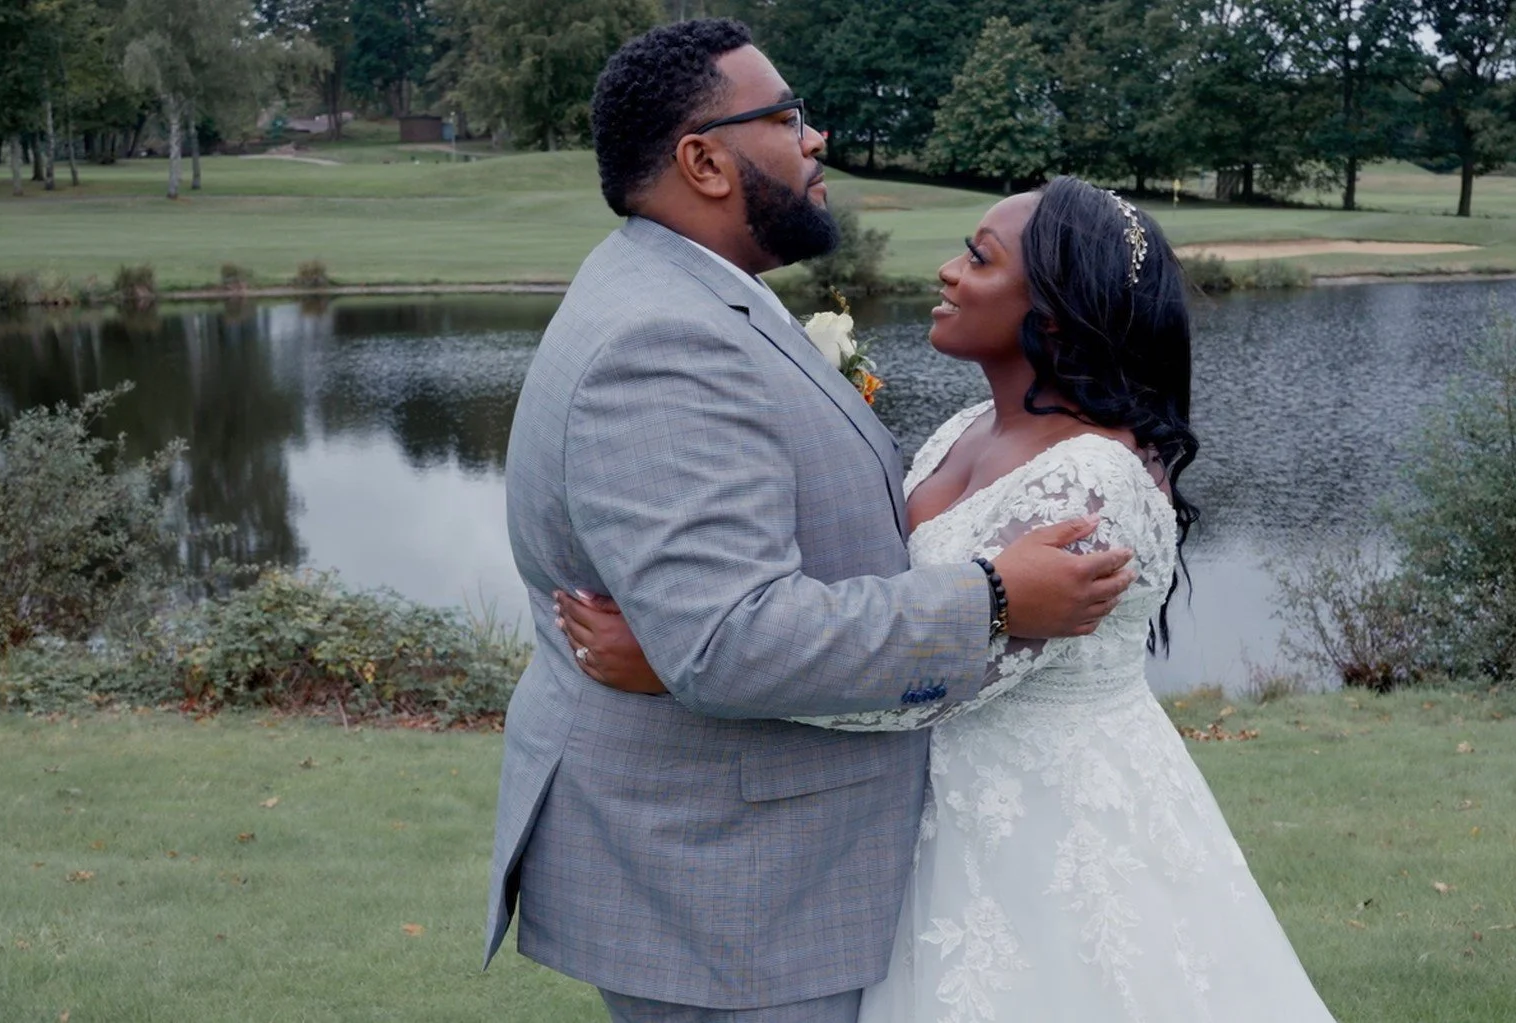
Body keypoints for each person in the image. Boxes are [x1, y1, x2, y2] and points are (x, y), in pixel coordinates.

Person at [561, 177, 1343, 1021]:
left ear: (1052, 308)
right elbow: (880, 601)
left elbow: (918, 687)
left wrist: (681, 665)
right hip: (930, 816)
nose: (944, 270)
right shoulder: (964, 428)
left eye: (977, 257)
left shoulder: (1089, 485)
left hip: (1042, 834)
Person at [484, 20, 1139, 1023]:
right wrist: (997, 599)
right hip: (739, 903)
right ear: (702, 161)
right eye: (786, 118)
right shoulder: (662, 340)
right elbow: (729, 640)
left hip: (769, 886)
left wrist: (672, 648)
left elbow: (701, 631)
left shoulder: (692, 296)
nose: (815, 138)